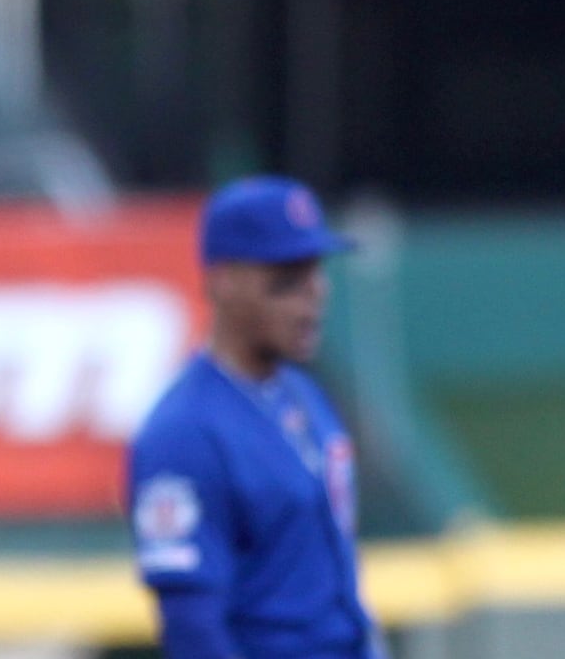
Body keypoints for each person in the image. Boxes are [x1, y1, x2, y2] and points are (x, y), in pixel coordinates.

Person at [126, 175, 384, 658]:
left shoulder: (304, 395)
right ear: (224, 281)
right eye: (287, 276)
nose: (314, 292)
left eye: (316, 270)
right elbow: (193, 630)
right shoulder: (184, 432)